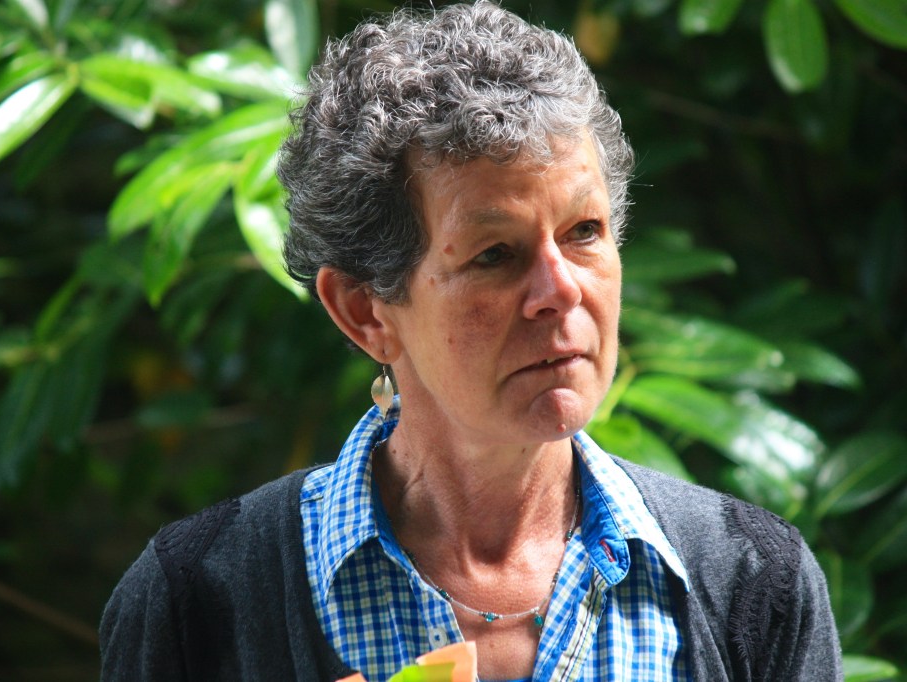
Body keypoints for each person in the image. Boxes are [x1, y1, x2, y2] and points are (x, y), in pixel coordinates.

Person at [99, 2, 841, 680]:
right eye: (495, 255)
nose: (560, 291)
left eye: (584, 231)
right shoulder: (196, 602)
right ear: (364, 310)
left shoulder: (753, 583)